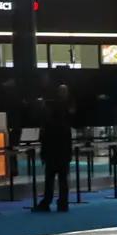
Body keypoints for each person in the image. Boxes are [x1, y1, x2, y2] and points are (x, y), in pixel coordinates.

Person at [33, 82, 75, 212]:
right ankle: (63, 203)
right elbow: (68, 140)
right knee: (63, 180)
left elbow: (45, 139)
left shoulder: (49, 121)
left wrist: (43, 154)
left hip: (52, 153)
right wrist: (69, 154)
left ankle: (47, 202)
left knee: (50, 179)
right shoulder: (66, 121)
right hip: (62, 153)